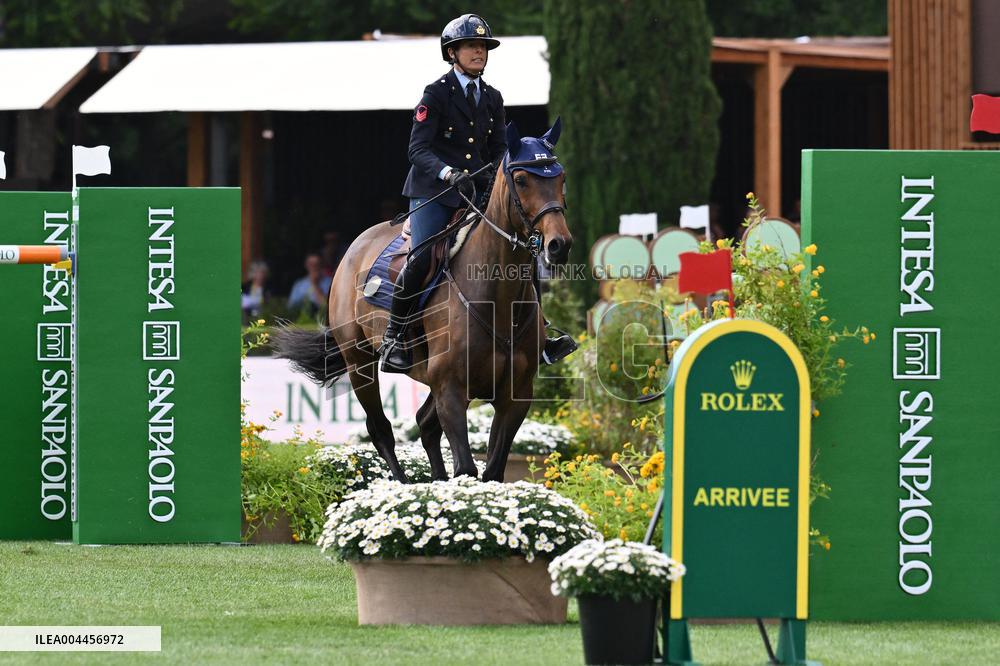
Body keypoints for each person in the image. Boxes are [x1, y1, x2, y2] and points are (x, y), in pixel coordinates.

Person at [379, 13, 576, 373]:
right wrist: (447, 172)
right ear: (452, 53)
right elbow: (417, 149)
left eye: (483, 46)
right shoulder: (436, 94)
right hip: (435, 190)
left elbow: (499, 150)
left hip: (478, 190)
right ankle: (396, 336)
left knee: (523, 250)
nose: (479, 52)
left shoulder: (492, 97)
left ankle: (542, 334)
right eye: (471, 46)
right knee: (422, 256)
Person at [288, 254, 331, 318]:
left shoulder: (329, 283)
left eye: (317, 264)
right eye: (311, 264)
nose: (314, 267)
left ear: (321, 265)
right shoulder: (299, 285)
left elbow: (327, 307)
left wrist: (315, 284)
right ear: (306, 265)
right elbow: (291, 307)